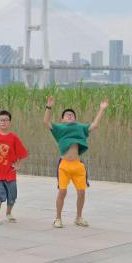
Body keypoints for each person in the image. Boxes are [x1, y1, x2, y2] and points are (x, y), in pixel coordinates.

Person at [44, 96, 108, 228]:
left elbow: (94, 125)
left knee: (82, 192)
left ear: (75, 118)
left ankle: (78, 217)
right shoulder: (59, 129)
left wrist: (101, 109)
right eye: (67, 115)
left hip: (78, 166)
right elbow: (46, 122)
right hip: (64, 165)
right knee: (62, 191)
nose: (70, 115)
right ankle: (58, 218)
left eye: (72, 114)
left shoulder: (80, 127)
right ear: (62, 120)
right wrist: (49, 106)